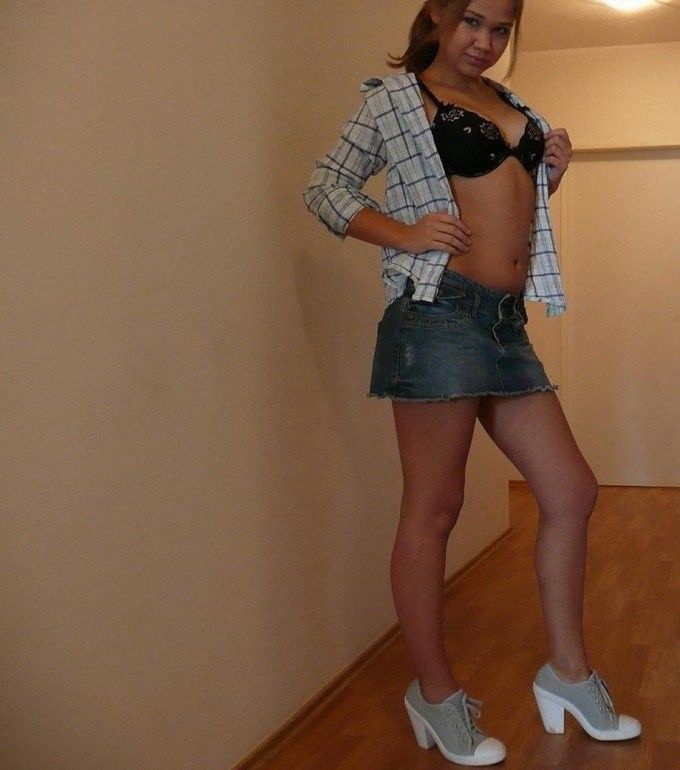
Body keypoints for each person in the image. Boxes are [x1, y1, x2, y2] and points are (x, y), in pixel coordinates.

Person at [302, 0, 642, 765]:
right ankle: (435, 694)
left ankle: (568, 675)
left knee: (571, 491)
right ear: (438, 14)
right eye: (473, 22)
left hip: (504, 325)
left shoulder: (509, 102)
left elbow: (506, 215)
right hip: (437, 317)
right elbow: (326, 188)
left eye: (501, 29)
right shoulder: (395, 101)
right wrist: (403, 232)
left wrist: (550, 177)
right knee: (435, 509)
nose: (485, 41)